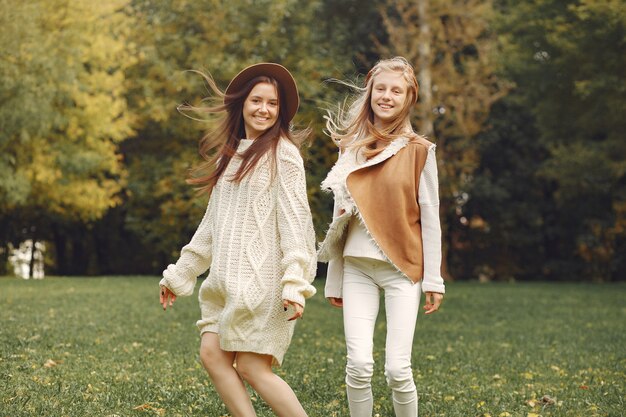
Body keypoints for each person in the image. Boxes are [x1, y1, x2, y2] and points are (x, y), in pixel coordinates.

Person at [159, 63, 317, 417]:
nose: (263, 109)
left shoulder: (284, 155)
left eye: (272, 104)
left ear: (280, 111)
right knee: (212, 354)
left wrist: (294, 282)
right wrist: (180, 274)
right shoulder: (228, 157)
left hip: (265, 285)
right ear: (242, 104)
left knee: (251, 367)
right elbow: (211, 229)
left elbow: (296, 226)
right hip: (226, 283)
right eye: (256, 100)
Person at [317, 56, 445, 417]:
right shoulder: (350, 147)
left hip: (402, 271)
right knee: (357, 365)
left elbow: (431, 218)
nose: (386, 96)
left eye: (396, 90)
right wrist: (335, 280)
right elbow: (340, 219)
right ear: (370, 92)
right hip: (357, 269)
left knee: (397, 369)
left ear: (408, 98)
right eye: (381, 89)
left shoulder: (420, 150)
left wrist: (434, 279)